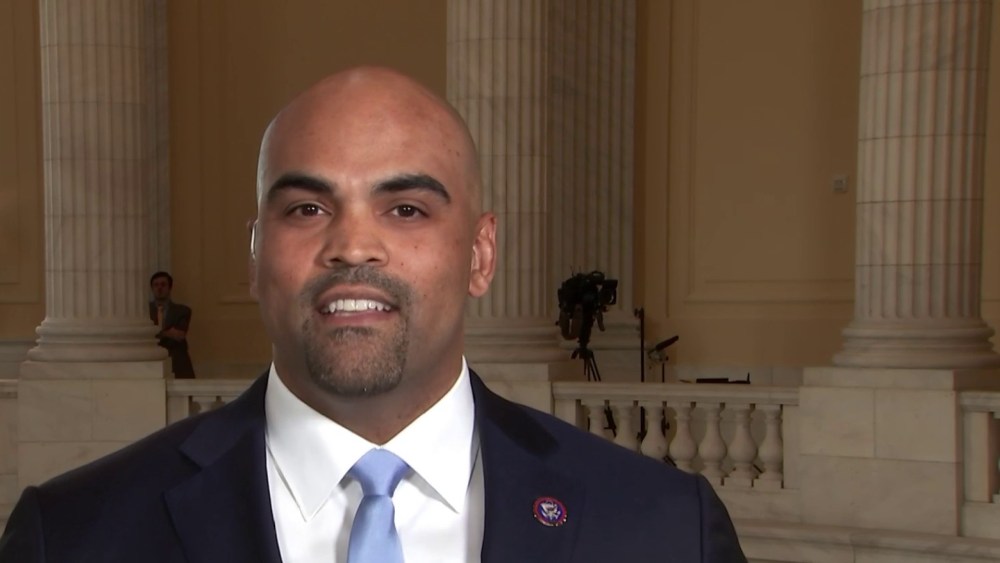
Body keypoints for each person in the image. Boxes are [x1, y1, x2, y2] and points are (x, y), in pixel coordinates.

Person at [0, 66, 746, 562]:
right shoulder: (70, 535)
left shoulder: (666, 530)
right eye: (307, 208)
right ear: (256, 256)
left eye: (406, 208)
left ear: (481, 254)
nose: (352, 245)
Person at [148, 271, 196, 378]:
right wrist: (168, 332)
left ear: (170, 287)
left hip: (177, 361)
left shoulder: (182, 311)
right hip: (151, 360)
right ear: (152, 288)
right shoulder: (144, 312)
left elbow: (179, 335)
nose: (159, 288)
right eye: (156, 285)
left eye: (163, 284)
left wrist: (155, 332)